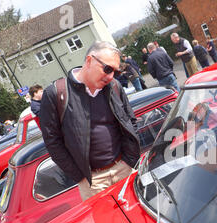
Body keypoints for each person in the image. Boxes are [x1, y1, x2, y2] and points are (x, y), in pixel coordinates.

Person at [39, 41, 141, 201]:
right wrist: (81, 177)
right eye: (107, 69)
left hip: (125, 168)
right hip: (92, 182)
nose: (111, 76)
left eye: (115, 71)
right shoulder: (56, 94)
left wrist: (129, 160)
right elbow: (53, 142)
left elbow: (130, 121)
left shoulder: (114, 87)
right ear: (89, 60)